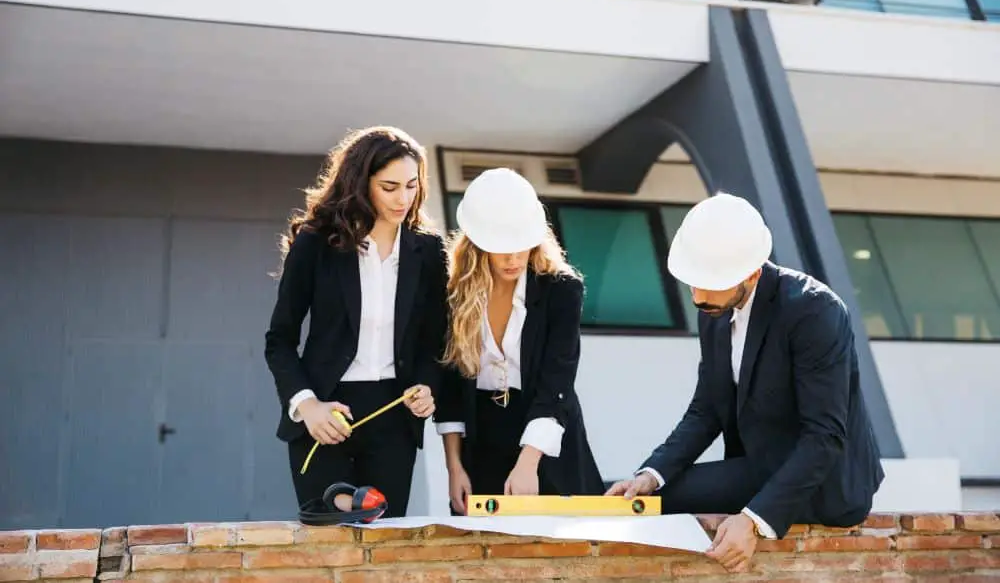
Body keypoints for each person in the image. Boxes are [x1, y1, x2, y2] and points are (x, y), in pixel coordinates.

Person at [606, 192, 884, 573]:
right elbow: (706, 410)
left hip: (826, 484)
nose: (698, 296)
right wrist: (651, 474)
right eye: (693, 282)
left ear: (752, 272)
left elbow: (824, 436)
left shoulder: (815, 311)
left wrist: (753, 520)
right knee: (641, 501)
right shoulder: (713, 311)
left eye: (709, 283)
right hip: (759, 465)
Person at [264, 126, 448, 518]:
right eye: (390, 186)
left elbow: (434, 341)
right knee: (331, 538)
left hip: (394, 418)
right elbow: (279, 339)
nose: (404, 199)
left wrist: (428, 386)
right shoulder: (317, 243)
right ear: (361, 183)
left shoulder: (428, 251)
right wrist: (306, 405)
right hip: (325, 413)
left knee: (382, 544)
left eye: (412, 186)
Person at [433, 168, 605, 515]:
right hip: (481, 440)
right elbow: (450, 388)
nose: (513, 258)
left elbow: (557, 380)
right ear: (478, 242)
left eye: (520, 245)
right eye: (501, 248)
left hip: (546, 432)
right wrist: (454, 466)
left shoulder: (562, 289)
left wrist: (528, 462)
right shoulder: (453, 294)